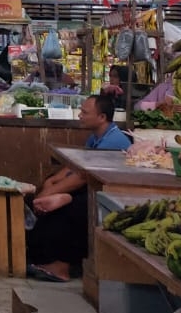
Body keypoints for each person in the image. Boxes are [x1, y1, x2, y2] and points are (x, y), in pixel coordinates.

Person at [27, 94, 133, 283]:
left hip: (107, 195)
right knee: (44, 194)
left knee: (69, 211)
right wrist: (52, 182)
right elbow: (76, 164)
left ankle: (61, 267)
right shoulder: (97, 137)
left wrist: (52, 192)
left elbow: (82, 178)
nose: (80, 116)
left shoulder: (113, 142)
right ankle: (40, 255)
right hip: (91, 186)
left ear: (102, 117)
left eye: (85, 112)